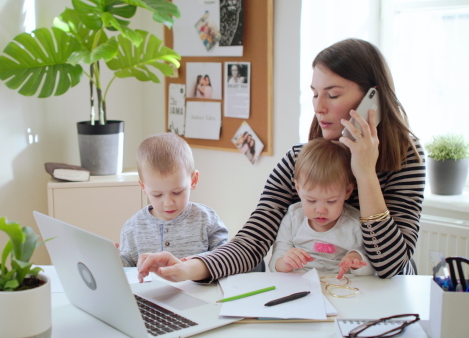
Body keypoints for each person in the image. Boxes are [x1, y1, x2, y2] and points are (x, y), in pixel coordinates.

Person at [137, 38, 425, 283]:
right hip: (321, 292)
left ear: (371, 99)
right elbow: (253, 240)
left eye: (332, 94)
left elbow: (390, 266)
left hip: (388, 300)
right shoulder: (300, 159)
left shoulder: (406, 158)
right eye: (314, 94)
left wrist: (365, 173)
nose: (319, 107)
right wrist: (188, 268)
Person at [119, 133, 229, 267]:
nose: (168, 203)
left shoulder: (207, 220)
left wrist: (193, 264)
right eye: (157, 195)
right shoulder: (132, 228)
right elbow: (126, 269)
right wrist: (114, 260)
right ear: (143, 187)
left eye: (177, 192)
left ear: (193, 180)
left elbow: (224, 257)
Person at [269, 137, 374, 276]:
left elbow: (373, 268)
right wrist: (285, 262)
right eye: (311, 201)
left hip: (341, 289)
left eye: (331, 201)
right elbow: (273, 263)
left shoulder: (355, 224)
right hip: (300, 287)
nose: (320, 210)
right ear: (298, 188)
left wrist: (357, 261)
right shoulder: (294, 218)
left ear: (348, 191)